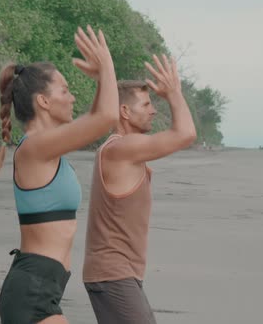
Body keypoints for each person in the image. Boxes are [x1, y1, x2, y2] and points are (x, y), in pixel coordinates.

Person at [0, 25, 118, 324]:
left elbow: (101, 117)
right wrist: (107, 67)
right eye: (65, 90)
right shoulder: (36, 148)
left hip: (42, 289)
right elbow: (107, 118)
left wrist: (103, 78)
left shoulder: (46, 149)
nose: (73, 97)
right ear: (43, 101)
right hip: (32, 293)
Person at [83, 54, 197, 324]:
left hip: (120, 274)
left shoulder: (125, 150)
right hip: (113, 274)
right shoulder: (122, 148)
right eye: (145, 104)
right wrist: (174, 93)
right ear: (124, 111)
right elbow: (185, 134)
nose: (152, 110)